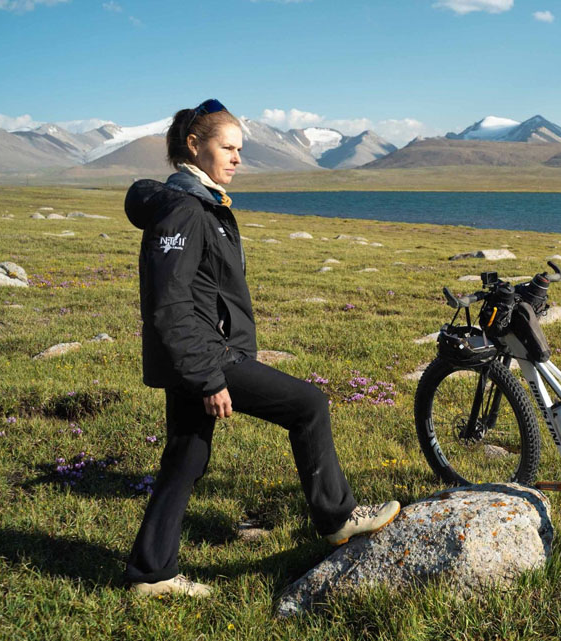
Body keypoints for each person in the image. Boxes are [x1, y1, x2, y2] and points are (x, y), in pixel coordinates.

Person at [123, 99, 400, 597]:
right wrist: (208, 376)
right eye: (227, 147)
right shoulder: (186, 209)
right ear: (194, 146)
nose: (236, 159)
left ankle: (150, 573)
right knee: (308, 406)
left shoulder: (195, 201)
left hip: (199, 355)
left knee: (185, 460)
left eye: (240, 150)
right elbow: (170, 305)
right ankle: (337, 516)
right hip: (207, 356)